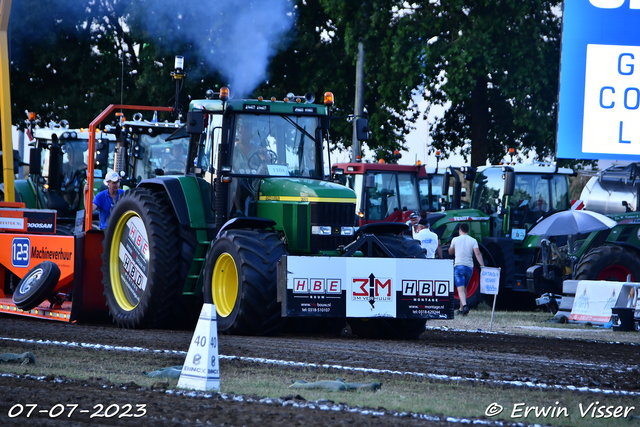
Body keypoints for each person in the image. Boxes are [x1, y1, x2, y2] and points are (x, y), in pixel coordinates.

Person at [231, 122, 268, 215]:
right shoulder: (234, 150)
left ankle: (257, 211)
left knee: (262, 182)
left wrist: (265, 156)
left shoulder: (257, 150)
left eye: (244, 133)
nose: (241, 135)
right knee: (235, 180)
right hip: (238, 179)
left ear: (250, 136)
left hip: (254, 179)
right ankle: (238, 210)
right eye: (240, 133)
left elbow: (267, 163)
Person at [448, 222, 484, 315]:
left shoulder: (455, 239)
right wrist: (482, 265)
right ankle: (461, 310)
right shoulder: (473, 240)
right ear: (468, 230)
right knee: (464, 288)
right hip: (469, 268)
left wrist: (451, 247)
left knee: (460, 289)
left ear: (460, 230)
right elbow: (477, 253)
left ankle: (464, 305)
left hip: (459, 267)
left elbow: (450, 252)